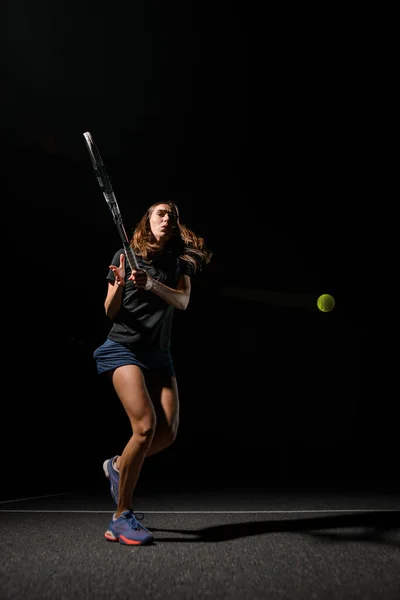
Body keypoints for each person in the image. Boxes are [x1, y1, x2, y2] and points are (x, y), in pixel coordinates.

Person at [93, 200, 212, 545]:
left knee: (168, 433)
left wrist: (151, 285)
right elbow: (110, 312)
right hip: (123, 348)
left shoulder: (178, 262)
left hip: (159, 354)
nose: (166, 218)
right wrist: (118, 285)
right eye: (160, 212)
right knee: (145, 428)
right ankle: (120, 516)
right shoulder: (125, 254)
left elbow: (183, 302)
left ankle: (117, 466)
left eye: (172, 215)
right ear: (147, 220)